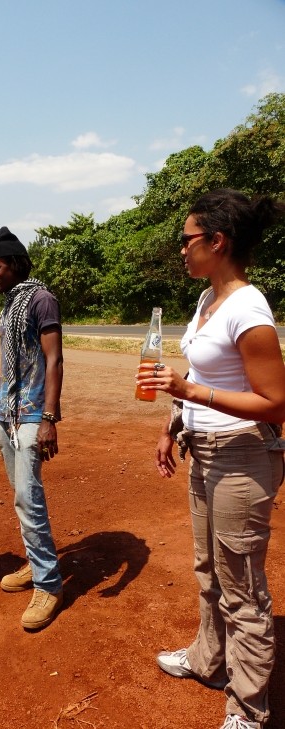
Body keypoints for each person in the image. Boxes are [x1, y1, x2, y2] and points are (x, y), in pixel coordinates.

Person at [136, 189, 285, 729]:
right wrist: (172, 424)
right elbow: (201, 374)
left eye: (187, 239)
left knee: (241, 587)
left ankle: (248, 709)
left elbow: (277, 403)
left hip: (243, 455)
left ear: (217, 241)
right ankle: (209, 659)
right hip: (204, 451)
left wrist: (191, 393)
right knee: (209, 570)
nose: (182, 249)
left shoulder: (248, 309)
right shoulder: (207, 301)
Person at [0, 226, 64, 630]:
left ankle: (49, 585)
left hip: (32, 417)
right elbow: (8, 368)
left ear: (15, 264)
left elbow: (54, 360)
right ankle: (35, 564)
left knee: (29, 499)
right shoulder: (9, 305)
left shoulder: (41, 300)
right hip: (8, 416)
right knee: (20, 497)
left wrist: (49, 418)